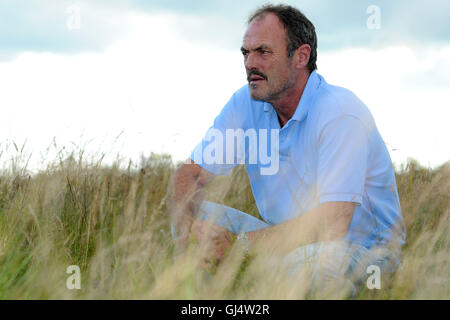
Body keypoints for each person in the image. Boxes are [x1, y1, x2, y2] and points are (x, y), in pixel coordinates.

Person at [169, 4, 406, 297]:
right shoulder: (246, 103)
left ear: (301, 56)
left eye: (263, 52)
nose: (249, 63)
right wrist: (189, 228)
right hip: (283, 241)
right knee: (199, 219)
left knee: (302, 265)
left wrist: (240, 245)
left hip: (363, 252)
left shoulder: (340, 113)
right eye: (246, 53)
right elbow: (189, 172)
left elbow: (332, 224)